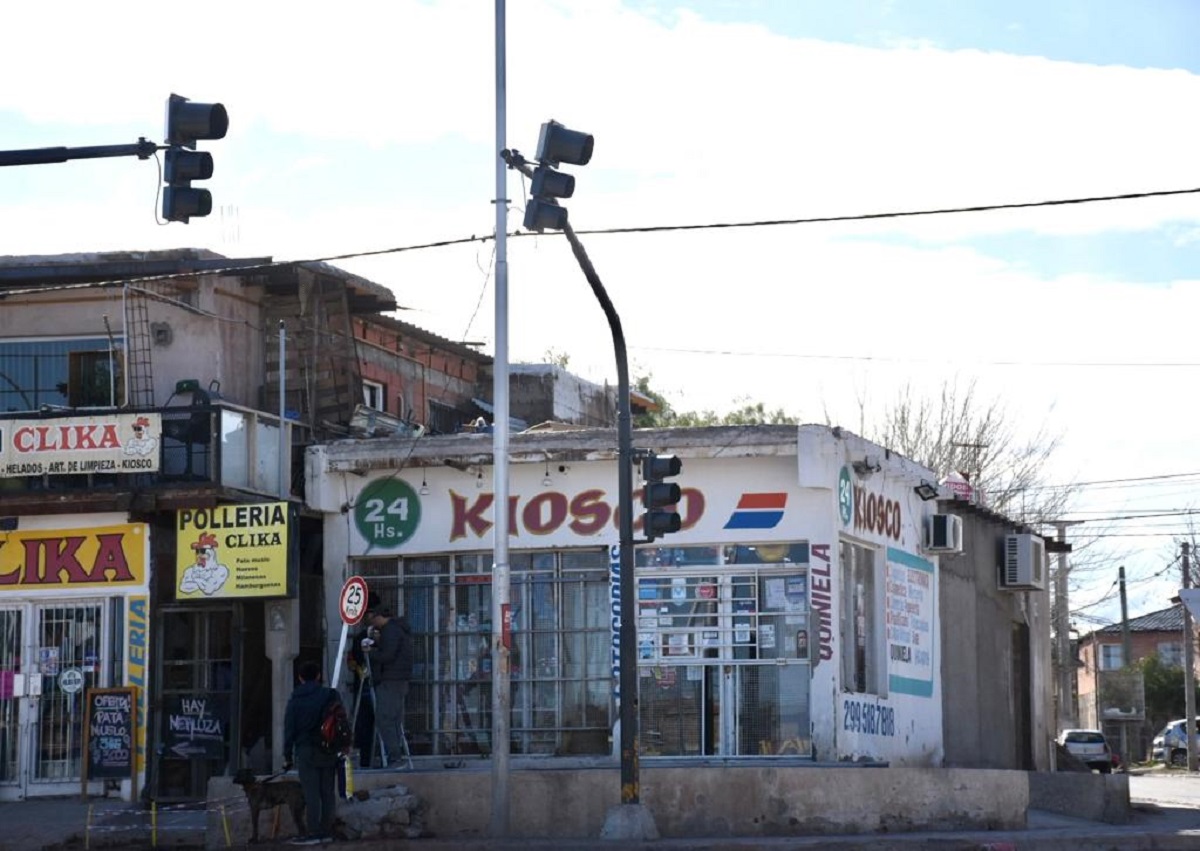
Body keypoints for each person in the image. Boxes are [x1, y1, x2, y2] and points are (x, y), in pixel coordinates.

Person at [283, 660, 340, 844]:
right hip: (328, 749)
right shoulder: (330, 695)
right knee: (327, 792)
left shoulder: (295, 701)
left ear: (300, 678)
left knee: (311, 793)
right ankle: (327, 830)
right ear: (318, 676)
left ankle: (314, 832)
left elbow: (289, 730)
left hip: (305, 750)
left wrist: (287, 756)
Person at [363, 603, 413, 768]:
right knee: (393, 719)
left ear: (378, 616)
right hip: (398, 680)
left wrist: (371, 652)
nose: (371, 624)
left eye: (372, 619)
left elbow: (387, 656)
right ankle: (397, 755)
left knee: (385, 719)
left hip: (391, 680)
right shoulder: (396, 630)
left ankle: (395, 757)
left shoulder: (391, 632)